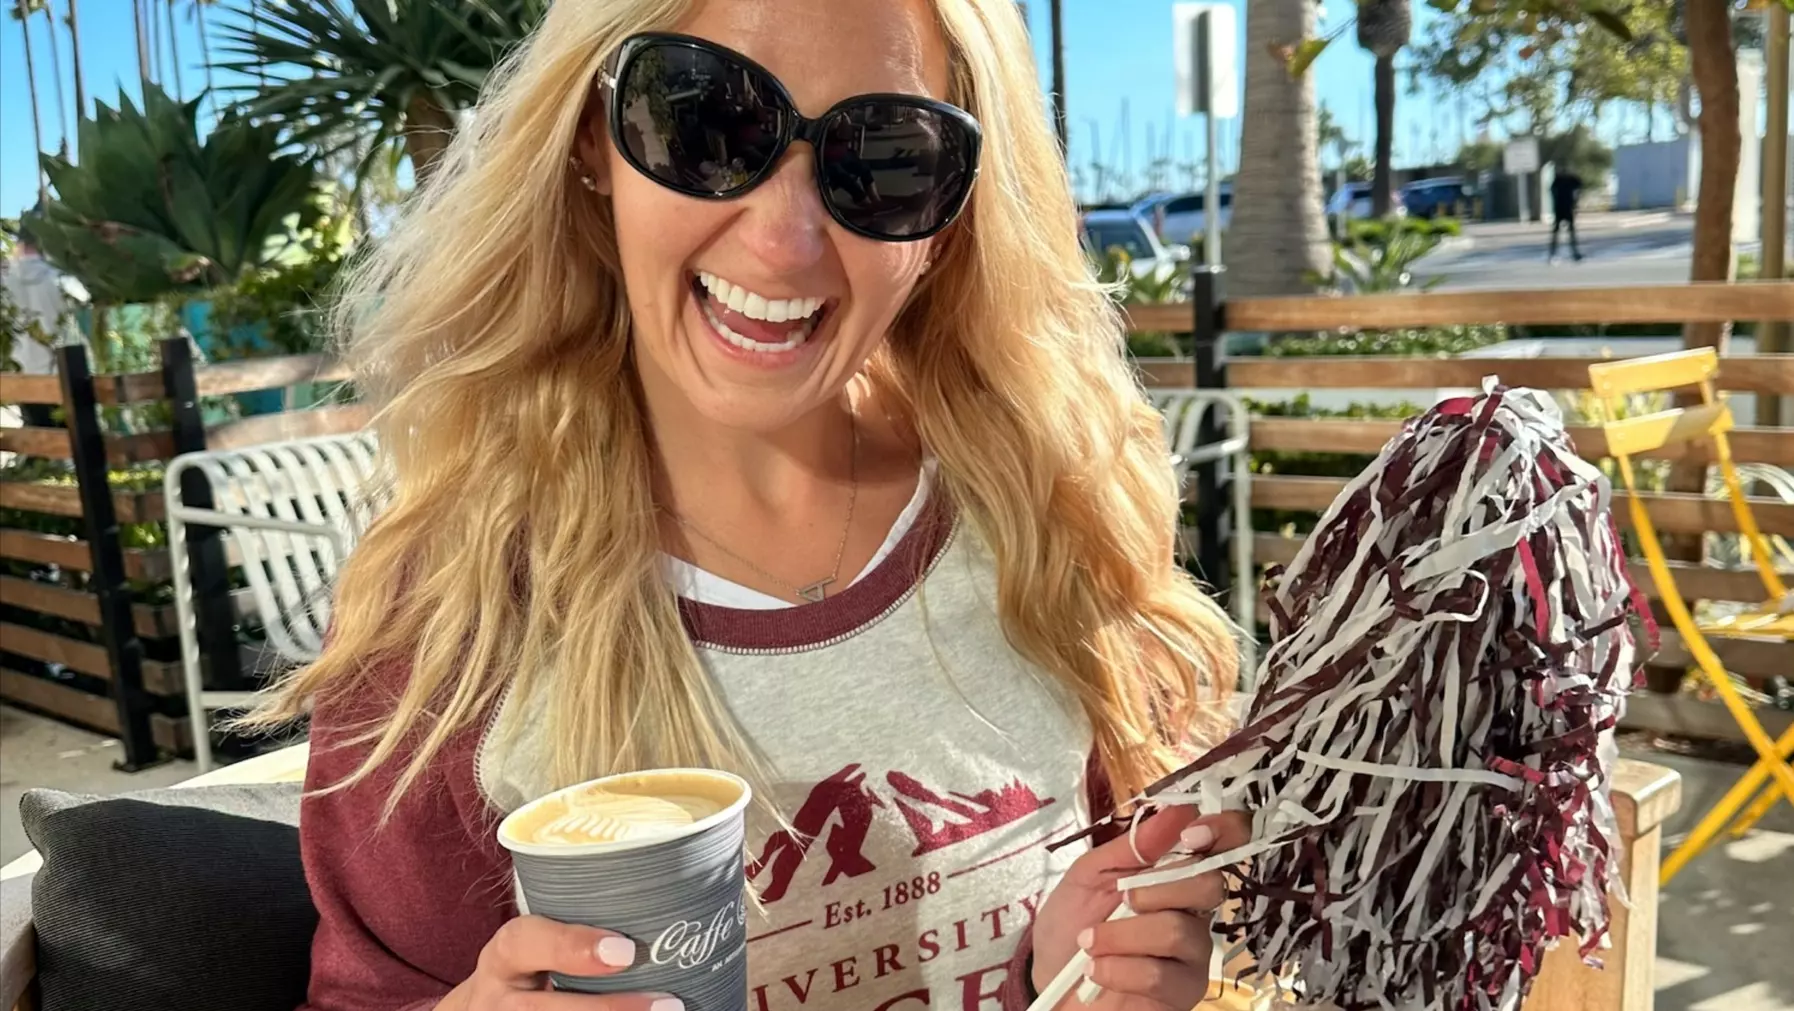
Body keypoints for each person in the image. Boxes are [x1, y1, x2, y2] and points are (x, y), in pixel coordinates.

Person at [258, 1, 1249, 1009]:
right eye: (705, 123)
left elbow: (1123, 891)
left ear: (954, 222)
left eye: (888, 156)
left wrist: (1082, 964)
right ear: (594, 140)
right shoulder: (450, 610)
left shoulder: (1041, 511)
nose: (784, 238)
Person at [1548, 166, 1584, 262]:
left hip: (1565, 207)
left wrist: (1576, 202)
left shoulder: (1565, 179)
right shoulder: (1560, 180)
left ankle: (1571, 252)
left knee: (1568, 231)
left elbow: (1579, 187)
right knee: (1563, 231)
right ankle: (1554, 253)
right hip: (1563, 207)